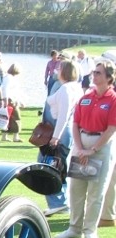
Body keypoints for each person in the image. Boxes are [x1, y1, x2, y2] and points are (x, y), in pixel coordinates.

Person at [55, 60, 116, 238]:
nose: (94, 75)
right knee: (76, 189)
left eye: (98, 73)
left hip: (101, 146)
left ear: (108, 77)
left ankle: (90, 230)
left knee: (96, 191)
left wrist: (93, 149)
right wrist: (80, 148)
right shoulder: (86, 97)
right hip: (81, 142)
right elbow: (75, 123)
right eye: (94, 72)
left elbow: (111, 128)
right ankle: (74, 228)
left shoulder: (112, 99)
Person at [42, 60, 82, 216]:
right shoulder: (76, 88)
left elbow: (63, 115)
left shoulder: (66, 89)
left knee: (51, 165)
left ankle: (58, 201)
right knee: (60, 165)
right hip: (67, 130)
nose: (56, 70)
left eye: (60, 68)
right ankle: (61, 199)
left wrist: (55, 136)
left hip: (61, 132)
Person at [0, 63, 24, 141]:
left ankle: (4, 136)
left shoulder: (8, 77)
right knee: (16, 118)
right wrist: (6, 99)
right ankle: (15, 136)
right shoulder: (9, 78)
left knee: (8, 118)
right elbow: (5, 89)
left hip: (12, 99)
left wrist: (20, 101)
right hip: (10, 100)